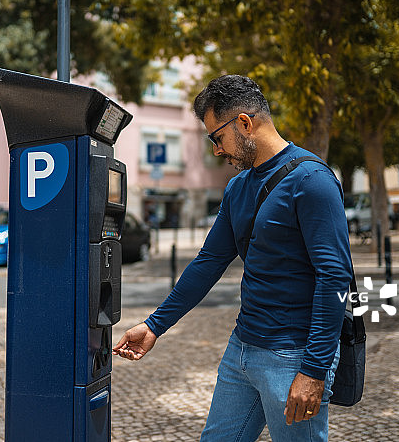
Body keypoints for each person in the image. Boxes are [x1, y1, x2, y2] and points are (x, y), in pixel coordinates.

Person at [113, 75, 353, 442]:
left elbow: (334, 278)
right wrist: (154, 325)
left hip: (293, 358)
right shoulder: (238, 187)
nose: (216, 150)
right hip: (242, 350)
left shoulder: (312, 180)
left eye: (216, 137)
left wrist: (314, 370)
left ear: (244, 123)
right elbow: (208, 261)